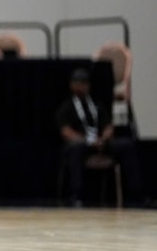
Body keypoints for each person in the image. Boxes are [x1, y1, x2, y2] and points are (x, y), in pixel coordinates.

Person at [55, 67, 144, 207]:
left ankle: (136, 193)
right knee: (75, 149)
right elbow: (66, 131)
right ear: (72, 85)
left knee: (127, 145)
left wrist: (104, 137)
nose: (82, 86)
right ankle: (77, 195)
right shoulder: (66, 107)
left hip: (100, 142)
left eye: (85, 83)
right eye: (78, 83)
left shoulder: (97, 105)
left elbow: (108, 125)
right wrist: (87, 140)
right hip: (81, 143)